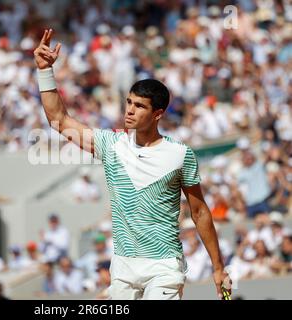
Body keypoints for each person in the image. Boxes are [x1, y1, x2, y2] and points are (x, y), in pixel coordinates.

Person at [33, 29, 231, 300]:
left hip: (164, 266)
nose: (129, 110)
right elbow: (59, 119)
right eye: (129, 102)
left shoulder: (180, 154)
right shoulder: (111, 145)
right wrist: (45, 71)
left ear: (158, 114)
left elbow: (199, 213)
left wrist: (218, 268)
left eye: (139, 106)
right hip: (123, 267)